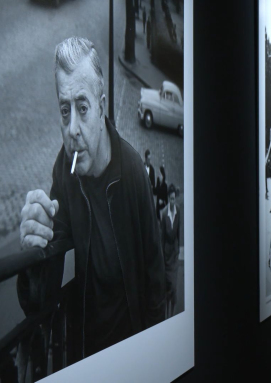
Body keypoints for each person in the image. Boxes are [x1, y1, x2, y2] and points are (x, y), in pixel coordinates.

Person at [18, 37, 166, 359]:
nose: (72, 128)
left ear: (101, 108)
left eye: (82, 109)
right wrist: (34, 255)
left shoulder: (133, 174)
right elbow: (41, 300)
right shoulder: (65, 171)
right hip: (84, 358)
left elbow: (155, 277)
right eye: (64, 110)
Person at [160, 184, 180, 319]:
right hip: (166, 256)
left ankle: (172, 314)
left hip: (174, 255)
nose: (173, 202)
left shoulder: (178, 211)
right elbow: (162, 237)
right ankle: (167, 316)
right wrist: (161, 256)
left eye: (174, 199)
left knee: (173, 288)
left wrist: (178, 249)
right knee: (168, 288)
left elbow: (178, 232)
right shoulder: (163, 213)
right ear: (168, 199)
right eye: (171, 199)